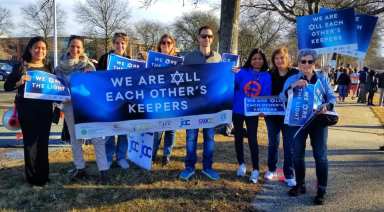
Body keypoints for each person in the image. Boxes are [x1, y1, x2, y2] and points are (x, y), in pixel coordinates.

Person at [280, 49, 336, 205]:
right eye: (303, 61)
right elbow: (281, 97)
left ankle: (321, 190)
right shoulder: (293, 78)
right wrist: (293, 86)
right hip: (297, 122)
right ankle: (300, 185)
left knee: (320, 155)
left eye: (310, 61)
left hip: (318, 121)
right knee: (297, 154)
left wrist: (327, 105)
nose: (306, 64)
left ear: (314, 63)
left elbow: (332, 97)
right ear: (298, 63)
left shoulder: (322, 78)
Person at [55, 35, 109, 183]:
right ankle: (80, 168)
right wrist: (61, 97)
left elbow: (95, 87)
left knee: (97, 137)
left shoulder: (88, 66)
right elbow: (57, 89)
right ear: (68, 47)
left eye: (78, 46)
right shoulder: (59, 68)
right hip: (69, 106)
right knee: (75, 138)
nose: (75, 49)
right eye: (72, 46)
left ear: (82, 49)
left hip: (88, 106)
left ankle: (103, 171)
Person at [4, 37, 53, 186]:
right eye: (37, 48)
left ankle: (44, 176)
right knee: (30, 144)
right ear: (30, 49)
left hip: (45, 111)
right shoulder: (22, 66)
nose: (40, 51)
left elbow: (54, 88)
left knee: (43, 143)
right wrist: (20, 81)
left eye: (43, 48)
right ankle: (32, 178)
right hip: (27, 111)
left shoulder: (48, 67)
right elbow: (7, 86)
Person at [179, 25, 222, 181]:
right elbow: (182, 80)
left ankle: (207, 167)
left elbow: (221, 80)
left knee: (209, 137)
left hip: (211, 106)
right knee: (191, 137)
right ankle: (189, 167)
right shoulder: (189, 58)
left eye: (210, 36)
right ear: (198, 38)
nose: (207, 39)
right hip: (193, 105)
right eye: (204, 36)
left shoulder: (218, 58)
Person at [232, 48, 271, 183]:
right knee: (238, 137)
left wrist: (262, 110)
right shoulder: (241, 72)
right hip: (237, 109)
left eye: (260, 58)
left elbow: (266, 94)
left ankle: (255, 169)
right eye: (254, 58)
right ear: (250, 60)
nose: (257, 61)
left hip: (253, 111)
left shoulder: (267, 76)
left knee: (253, 139)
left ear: (264, 60)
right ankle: (241, 164)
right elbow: (233, 85)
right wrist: (230, 72)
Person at [264, 47, 298, 187]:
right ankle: (272, 169)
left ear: (288, 59)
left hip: (289, 114)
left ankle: (289, 174)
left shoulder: (296, 73)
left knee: (289, 145)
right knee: (273, 143)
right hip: (272, 114)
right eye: (276, 58)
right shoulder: (269, 74)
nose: (279, 60)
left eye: (282, 58)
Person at [97, 32, 130, 170]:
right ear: (113, 44)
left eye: (122, 43)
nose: (119, 45)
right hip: (109, 100)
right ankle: (109, 157)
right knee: (110, 131)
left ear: (126, 45)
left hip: (124, 100)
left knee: (124, 130)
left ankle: (121, 157)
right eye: (117, 43)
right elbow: (98, 78)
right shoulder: (105, 58)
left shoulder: (129, 60)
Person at [152, 34, 178, 165]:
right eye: (163, 42)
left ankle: (167, 155)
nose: (166, 45)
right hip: (157, 101)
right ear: (159, 45)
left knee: (171, 130)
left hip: (173, 101)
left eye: (169, 43)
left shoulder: (179, 62)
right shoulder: (153, 61)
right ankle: (152, 153)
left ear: (173, 45)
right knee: (157, 129)